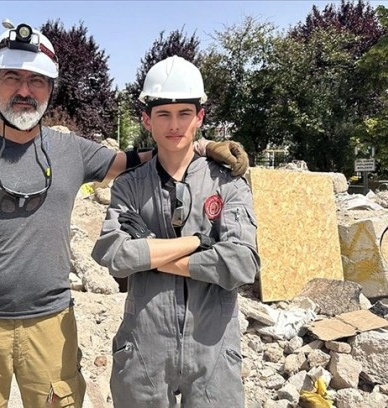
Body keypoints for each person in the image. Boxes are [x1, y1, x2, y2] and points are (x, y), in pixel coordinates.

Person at [0, 20, 249, 408]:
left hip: (52, 324)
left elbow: (143, 155)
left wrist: (202, 147)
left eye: (37, 81)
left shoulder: (72, 151)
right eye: (12, 78)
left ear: (51, 88)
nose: (24, 91)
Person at [91, 55, 261, 408]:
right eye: (163, 114)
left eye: (184, 113)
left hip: (213, 352)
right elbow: (114, 254)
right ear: (146, 119)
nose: (174, 124)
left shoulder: (227, 183)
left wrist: (151, 253)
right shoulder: (130, 186)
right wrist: (198, 242)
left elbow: (242, 263)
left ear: (200, 117)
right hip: (144, 351)